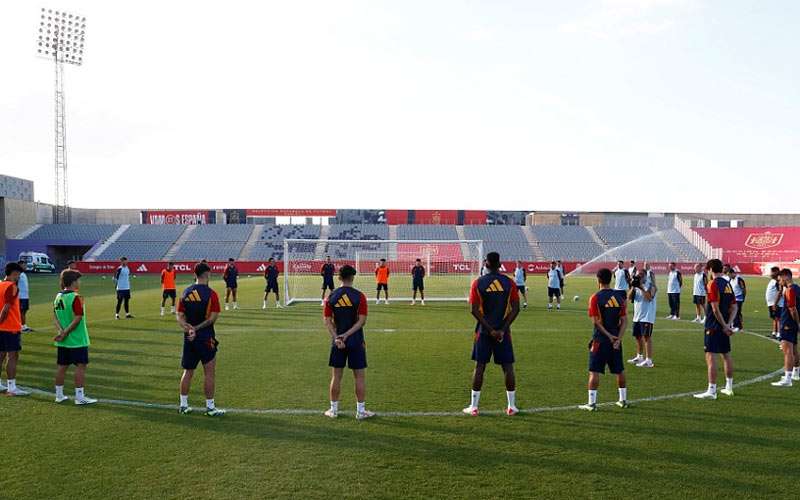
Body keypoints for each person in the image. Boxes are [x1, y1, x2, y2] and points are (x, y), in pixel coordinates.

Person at [463, 252, 521, 416]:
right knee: (507, 367)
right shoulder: (509, 282)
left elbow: (473, 310)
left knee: (480, 366)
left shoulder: (478, 283)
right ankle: (511, 406)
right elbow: (516, 308)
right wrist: (501, 330)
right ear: (499, 264)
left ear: (486, 264)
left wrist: (490, 330)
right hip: (503, 332)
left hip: (483, 331)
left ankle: (473, 407)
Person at [322, 264, 374, 420]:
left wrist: (337, 336)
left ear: (339, 277)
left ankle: (333, 410)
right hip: (356, 341)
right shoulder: (360, 296)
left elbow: (327, 320)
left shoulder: (331, 296)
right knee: (359, 377)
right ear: (352, 277)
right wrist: (347, 335)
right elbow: (362, 321)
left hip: (337, 342)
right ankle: (360, 411)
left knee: (336, 376)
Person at [176, 262, 225, 416]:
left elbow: (179, 315)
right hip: (205, 337)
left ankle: (183, 405)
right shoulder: (211, 294)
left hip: (189, 338)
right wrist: (196, 329)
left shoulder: (186, 292)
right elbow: (212, 319)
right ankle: (210, 407)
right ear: (207, 274)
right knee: (209, 372)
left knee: (188, 371)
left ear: (195, 275)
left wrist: (188, 328)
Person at [579, 268, 629, 411]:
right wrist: (618, 339)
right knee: (619, 370)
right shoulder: (619, 297)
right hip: (616, 342)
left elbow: (596, 322)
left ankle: (591, 403)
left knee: (594, 371)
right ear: (611, 279)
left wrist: (608, 336)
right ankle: (623, 400)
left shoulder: (595, 298)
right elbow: (625, 321)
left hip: (600, 340)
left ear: (598, 280)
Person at [694, 259, 737, 400]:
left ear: (711, 269)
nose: (707, 271)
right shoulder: (727, 284)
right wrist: (729, 324)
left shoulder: (712, 284)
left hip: (714, 325)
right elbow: (734, 307)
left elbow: (715, 308)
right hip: (724, 326)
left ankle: (711, 390)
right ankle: (729, 387)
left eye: (708, 269)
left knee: (710, 355)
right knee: (726, 354)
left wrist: (724, 325)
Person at [52, 269, 97, 405]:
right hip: (77, 340)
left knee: (62, 366)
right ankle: (79, 397)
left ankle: (59, 395)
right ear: (73, 282)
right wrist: (66, 332)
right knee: (80, 366)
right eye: (78, 280)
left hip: (63, 341)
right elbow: (78, 318)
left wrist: (61, 331)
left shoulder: (58, 296)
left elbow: (54, 316)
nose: (80, 282)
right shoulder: (76, 297)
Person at [0, 262, 29, 396]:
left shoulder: (0, 284)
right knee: (13, 356)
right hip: (10, 327)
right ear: (14, 273)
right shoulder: (12, 287)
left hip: (3, 328)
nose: (18, 278)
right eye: (18, 275)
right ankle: (11, 387)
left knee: (1, 355)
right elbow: (6, 309)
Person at [771, 269, 800, 387]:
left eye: (780, 280)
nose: (780, 282)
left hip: (788, 322)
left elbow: (792, 309)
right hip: (792, 323)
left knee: (787, 350)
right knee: (793, 349)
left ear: (785, 277)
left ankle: (787, 379)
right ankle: (796, 373)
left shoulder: (789, 290)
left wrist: (798, 322)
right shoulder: (798, 288)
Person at [627, 269, 657, 368]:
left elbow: (649, 298)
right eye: (638, 275)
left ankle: (649, 360)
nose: (639, 276)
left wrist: (641, 287)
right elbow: (629, 297)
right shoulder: (635, 286)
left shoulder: (651, 286)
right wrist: (633, 287)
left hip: (647, 316)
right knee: (638, 337)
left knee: (646, 337)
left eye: (641, 275)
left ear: (645, 276)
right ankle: (639, 356)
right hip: (637, 316)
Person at [765, 266, 782, 340]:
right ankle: (774, 333)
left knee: (778, 318)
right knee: (775, 318)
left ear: (776, 272)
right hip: (771, 303)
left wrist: (775, 303)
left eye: (772, 272)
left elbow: (779, 292)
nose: (771, 274)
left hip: (777, 303)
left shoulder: (778, 281)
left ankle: (779, 334)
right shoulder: (773, 280)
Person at [727, 267, 746, 332]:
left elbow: (743, 289)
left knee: (737, 312)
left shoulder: (739, 279)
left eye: (729, 274)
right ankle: (735, 325)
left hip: (739, 298)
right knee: (733, 312)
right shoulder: (730, 280)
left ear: (733, 273)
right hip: (733, 298)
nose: (729, 276)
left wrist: (743, 297)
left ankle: (738, 326)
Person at [17, 259, 32, 332]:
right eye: (24, 265)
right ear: (20, 265)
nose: (25, 266)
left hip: (25, 296)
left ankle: (23, 325)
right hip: (20, 297)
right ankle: (22, 327)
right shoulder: (18, 274)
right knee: (21, 311)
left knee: (24, 311)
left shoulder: (23, 274)